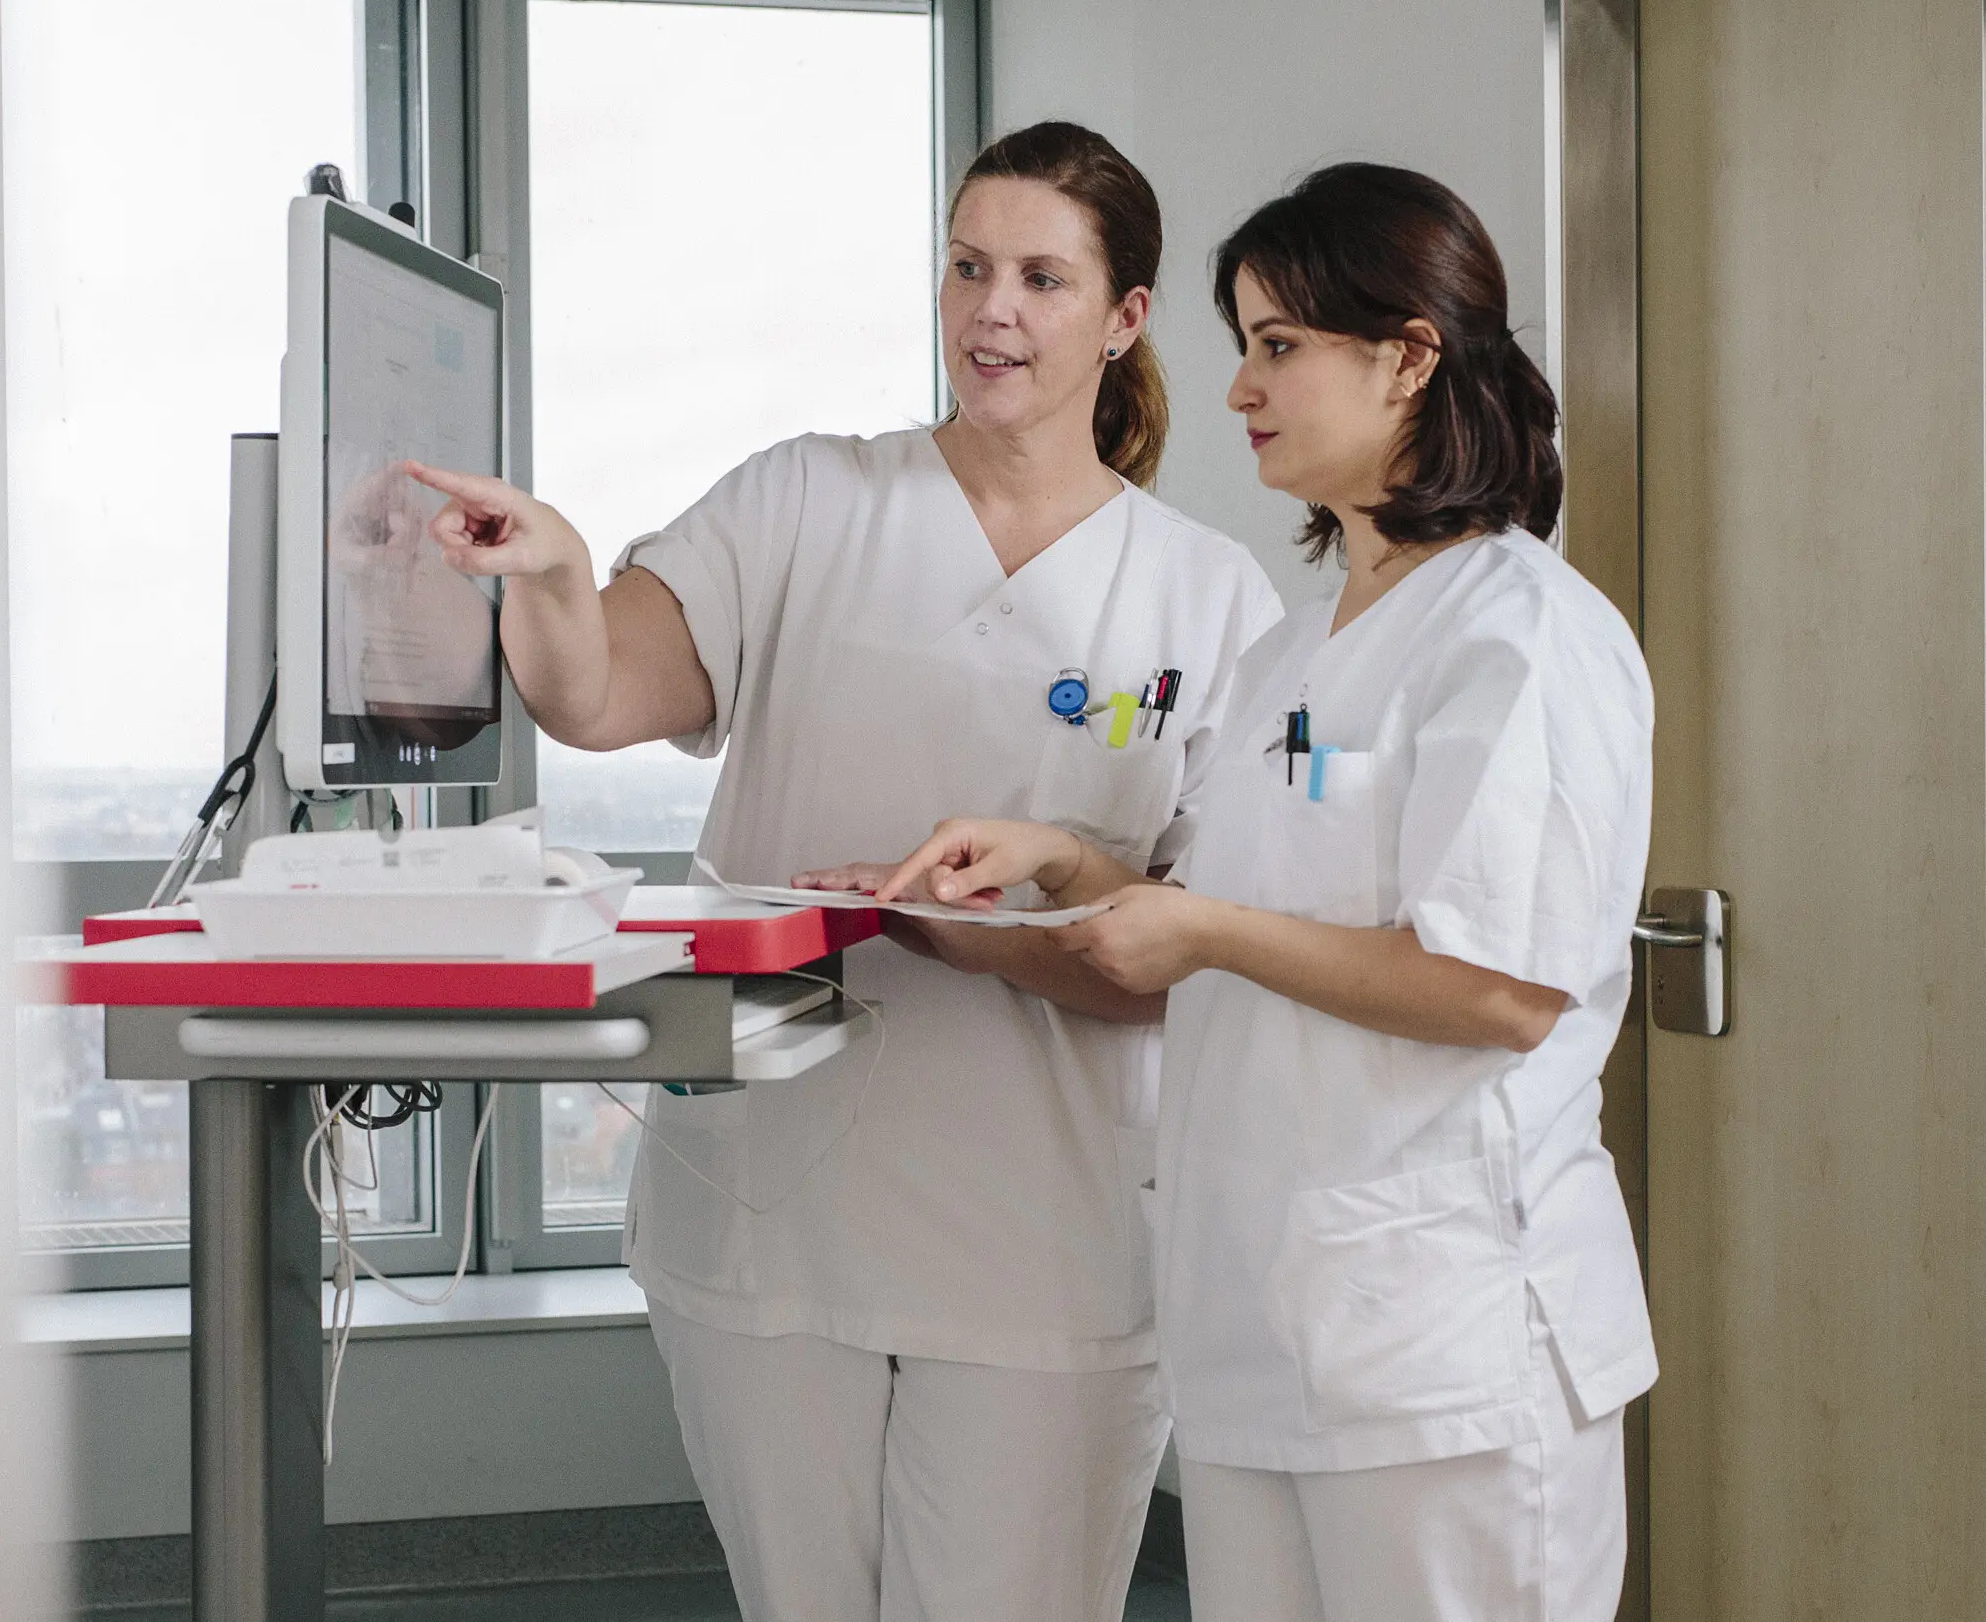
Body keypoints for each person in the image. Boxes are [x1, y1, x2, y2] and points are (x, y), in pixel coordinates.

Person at [407, 122, 1283, 1622]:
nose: (989, 309)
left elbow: (1198, 957)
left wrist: (982, 927)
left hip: (1048, 1239)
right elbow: (603, 693)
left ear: (1123, 316)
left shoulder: (1206, 594)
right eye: (964, 267)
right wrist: (552, 574)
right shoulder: (802, 501)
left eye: (1038, 277)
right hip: (770, 1221)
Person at [879, 163, 1656, 1622]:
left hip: (1440, 1348)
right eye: (1240, 343)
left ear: (1409, 352)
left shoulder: (1522, 635)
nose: (1237, 386)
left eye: (1278, 345)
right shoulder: (1300, 655)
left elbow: (1498, 987)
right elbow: (1256, 899)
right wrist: (1061, 857)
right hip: (1263, 1329)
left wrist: (1200, 928)